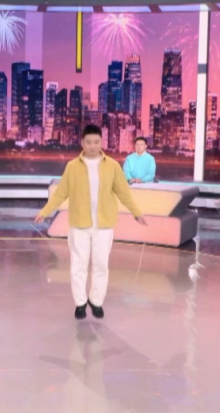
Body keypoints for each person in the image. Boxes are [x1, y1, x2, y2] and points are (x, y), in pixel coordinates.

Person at [34, 125, 148, 320]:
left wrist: (136, 212)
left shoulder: (112, 166)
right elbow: (60, 193)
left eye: (96, 142)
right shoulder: (72, 167)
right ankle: (80, 303)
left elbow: (124, 193)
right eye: (88, 142)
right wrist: (45, 212)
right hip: (79, 224)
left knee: (101, 264)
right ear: (82, 143)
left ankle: (96, 301)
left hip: (104, 225)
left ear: (101, 142)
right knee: (78, 264)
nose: (93, 146)